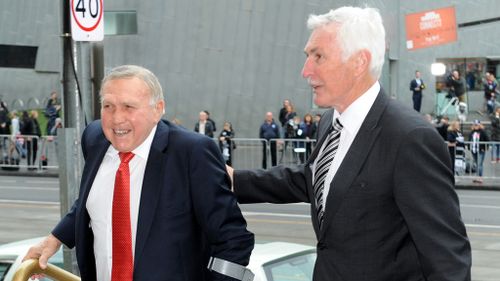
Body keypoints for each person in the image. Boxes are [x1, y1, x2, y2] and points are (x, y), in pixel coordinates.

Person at [227, 7, 471, 281]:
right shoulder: (330, 121)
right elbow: (314, 178)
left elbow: (448, 261)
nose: (306, 71)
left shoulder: (410, 138)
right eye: (308, 57)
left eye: (318, 56)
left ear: (358, 62)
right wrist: (235, 180)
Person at [24, 65, 254, 281]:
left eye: (128, 107)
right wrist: (55, 238)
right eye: (108, 106)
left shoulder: (192, 152)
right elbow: (93, 201)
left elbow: (234, 240)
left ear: (158, 110)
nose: (116, 118)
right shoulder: (95, 137)